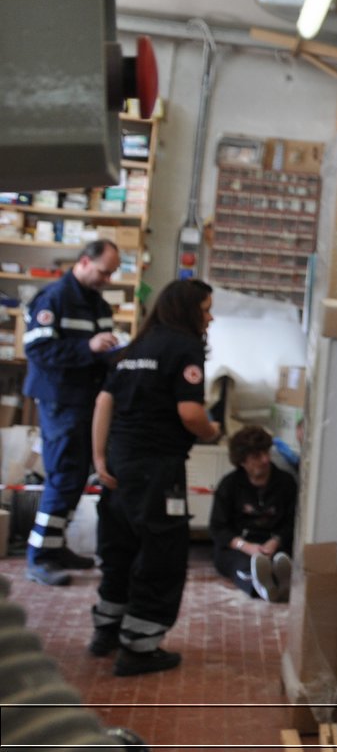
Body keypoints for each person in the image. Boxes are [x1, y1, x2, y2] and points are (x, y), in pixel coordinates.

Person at [90, 279, 222, 677]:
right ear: (187, 311)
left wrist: (99, 457)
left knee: (119, 549)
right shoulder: (185, 347)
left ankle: (107, 631)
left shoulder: (133, 348)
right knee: (161, 553)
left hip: (118, 463)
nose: (210, 317)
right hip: (157, 468)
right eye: (205, 309)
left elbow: (103, 402)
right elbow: (190, 414)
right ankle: (140, 647)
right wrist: (213, 431)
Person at [21, 239, 122, 586]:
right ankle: (39, 557)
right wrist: (88, 347)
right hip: (59, 399)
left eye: (111, 274)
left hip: (84, 400)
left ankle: (55, 546)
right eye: (103, 272)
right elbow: (37, 349)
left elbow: (99, 353)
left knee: (76, 476)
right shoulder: (53, 298)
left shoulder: (99, 305)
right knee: (64, 474)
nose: (107, 279)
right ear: (83, 262)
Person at [209, 425, 297, 603]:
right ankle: (262, 588)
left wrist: (275, 541)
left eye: (266, 453)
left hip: (273, 543)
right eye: (257, 456)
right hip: (240, 545)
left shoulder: (286, 483)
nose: (265, 460)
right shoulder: (229, 485)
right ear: (242, 461)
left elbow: (292, 522)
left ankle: (281, 582)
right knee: (242, 566)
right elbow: (218, 528)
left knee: (282, 559)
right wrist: (247, 547)